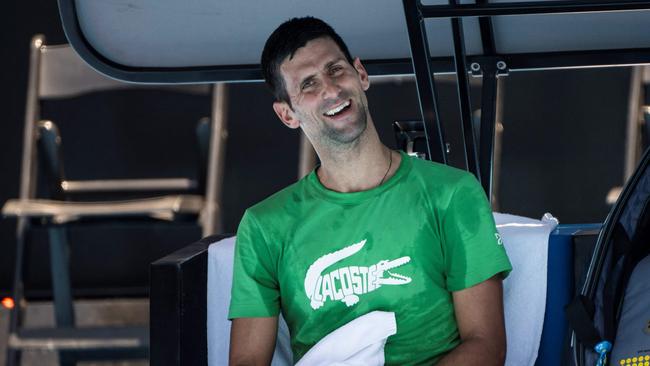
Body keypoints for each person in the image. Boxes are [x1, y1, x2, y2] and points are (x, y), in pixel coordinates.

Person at [228, 16, 512, 365]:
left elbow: (486, 346)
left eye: (336, 69)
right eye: (309, 84)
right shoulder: (263, 226)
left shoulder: (453, 194)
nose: (331, 90)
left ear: (361, 74)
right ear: (288, 114)